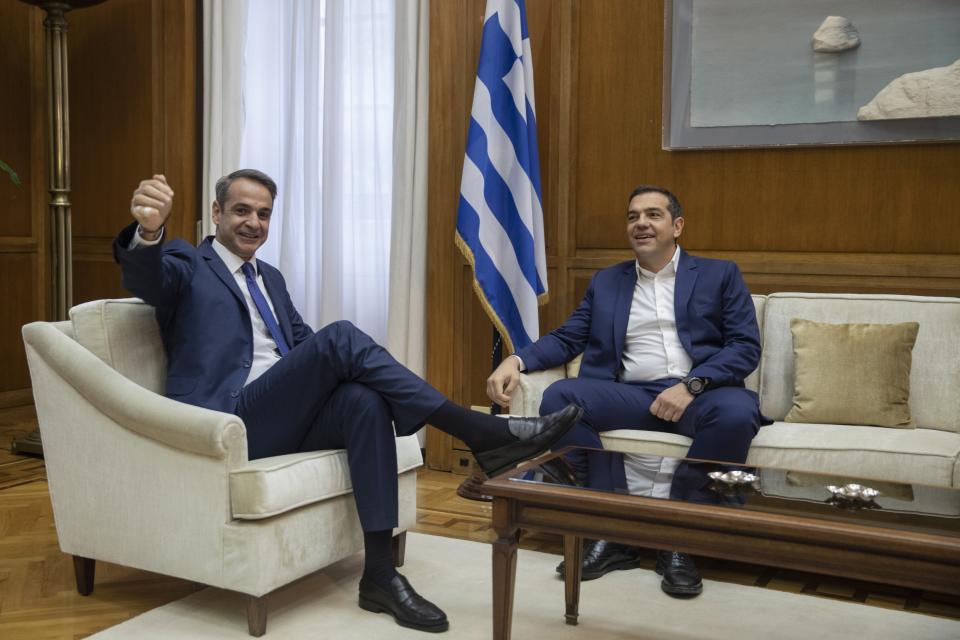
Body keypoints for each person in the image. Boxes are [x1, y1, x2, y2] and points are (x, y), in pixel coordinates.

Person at [113, 170, 583, 633]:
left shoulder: (270, 279)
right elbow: (147, 278)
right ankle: (478, 431)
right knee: (341, 338)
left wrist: (354, 373)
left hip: (278, 415)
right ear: (216, 213)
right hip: (230, 421)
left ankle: (378, 575)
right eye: (241, 211)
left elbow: (304, 346)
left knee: (362, 400)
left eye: (263, 213)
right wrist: (150, 230)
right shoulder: (186, 262)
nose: (253, 222)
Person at [486, 185, 764, 597]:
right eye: (633, 216)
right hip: (633, 395)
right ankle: (610, 529)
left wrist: (692, 385)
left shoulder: (719, 274)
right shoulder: (607, 282)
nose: (641, 224)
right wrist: (515, 360)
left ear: (677, 226)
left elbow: (745, 347)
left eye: (653, 215)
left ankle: (679, 539)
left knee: (738, 414)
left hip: (702, 394)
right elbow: (568, 337)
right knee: (562, 396)